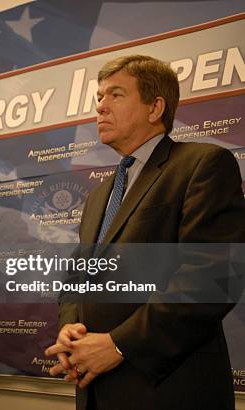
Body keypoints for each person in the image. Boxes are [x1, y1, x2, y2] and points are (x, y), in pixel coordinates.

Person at [45, 55, 245, 410]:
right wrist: (70, 326)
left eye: (115, 95)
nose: (101, 108)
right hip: (95, 389)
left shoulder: (203, 165)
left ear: (155, 108)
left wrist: (120, 344)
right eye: (99, 98)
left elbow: (213, 278)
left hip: (169, 389)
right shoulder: (98, 195)